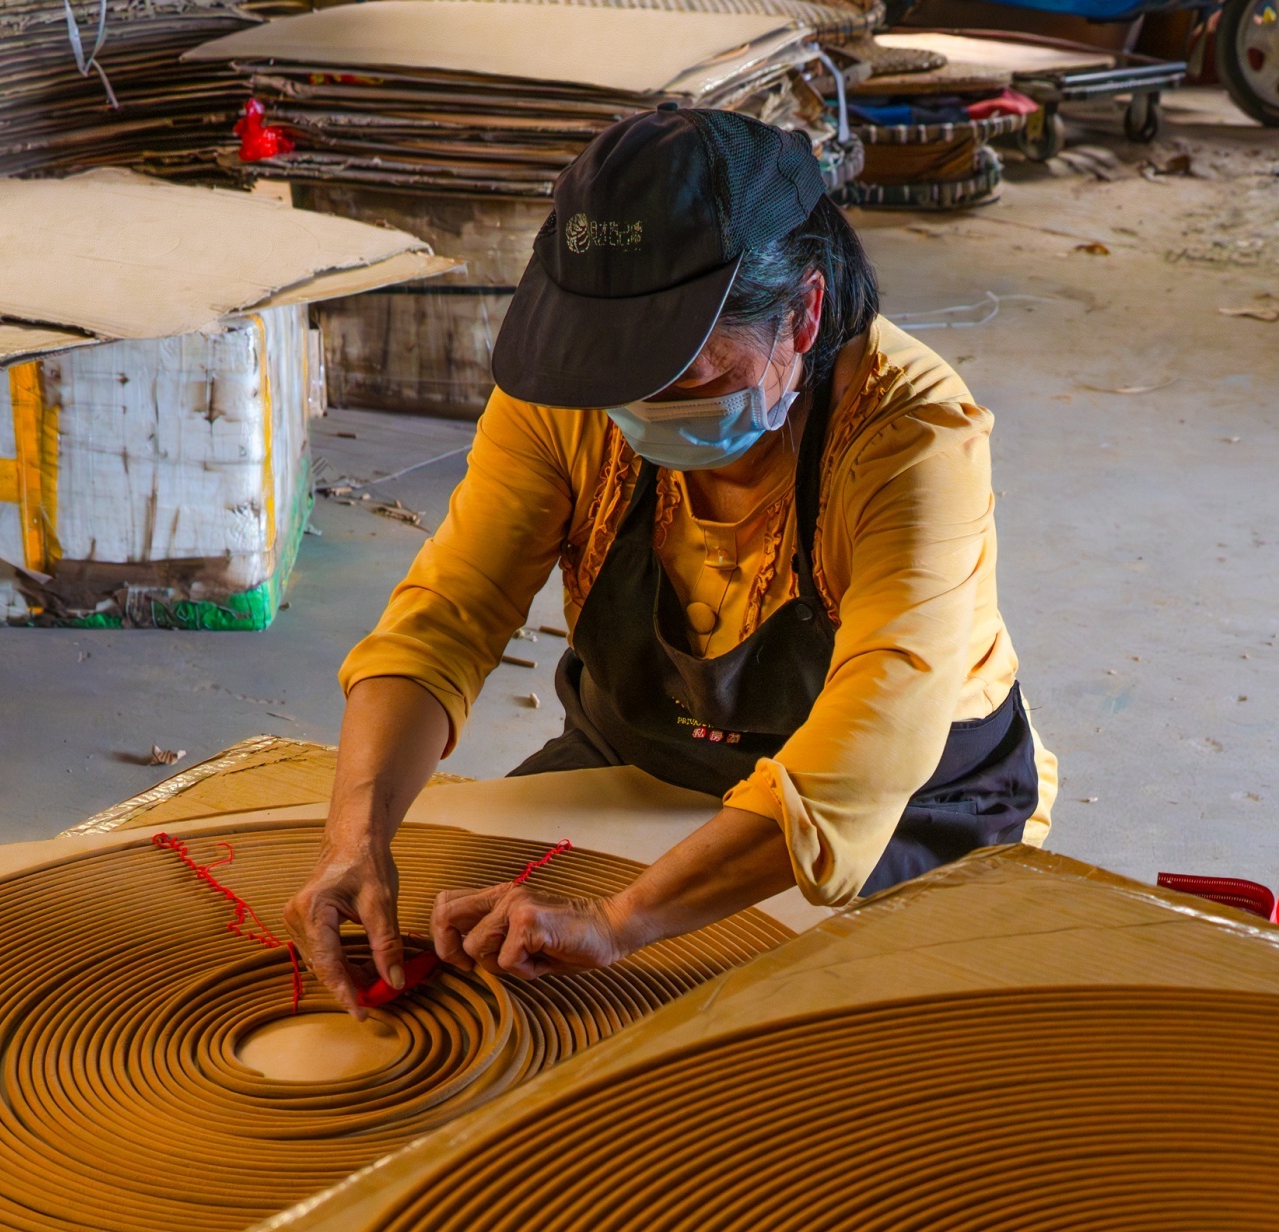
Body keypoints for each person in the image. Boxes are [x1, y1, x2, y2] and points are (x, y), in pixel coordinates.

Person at [286, 104, 1051, 1012]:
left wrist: (619, 921)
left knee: (785, 1042)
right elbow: (449, 616)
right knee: (476, 969)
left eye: (685, 375)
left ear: (803, 313)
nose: (638, 406)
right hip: (643, 756)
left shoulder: (912, 436)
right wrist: (355, 836)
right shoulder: (572, 395)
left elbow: (867, 750)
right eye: (616, 376)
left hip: (902, 801)